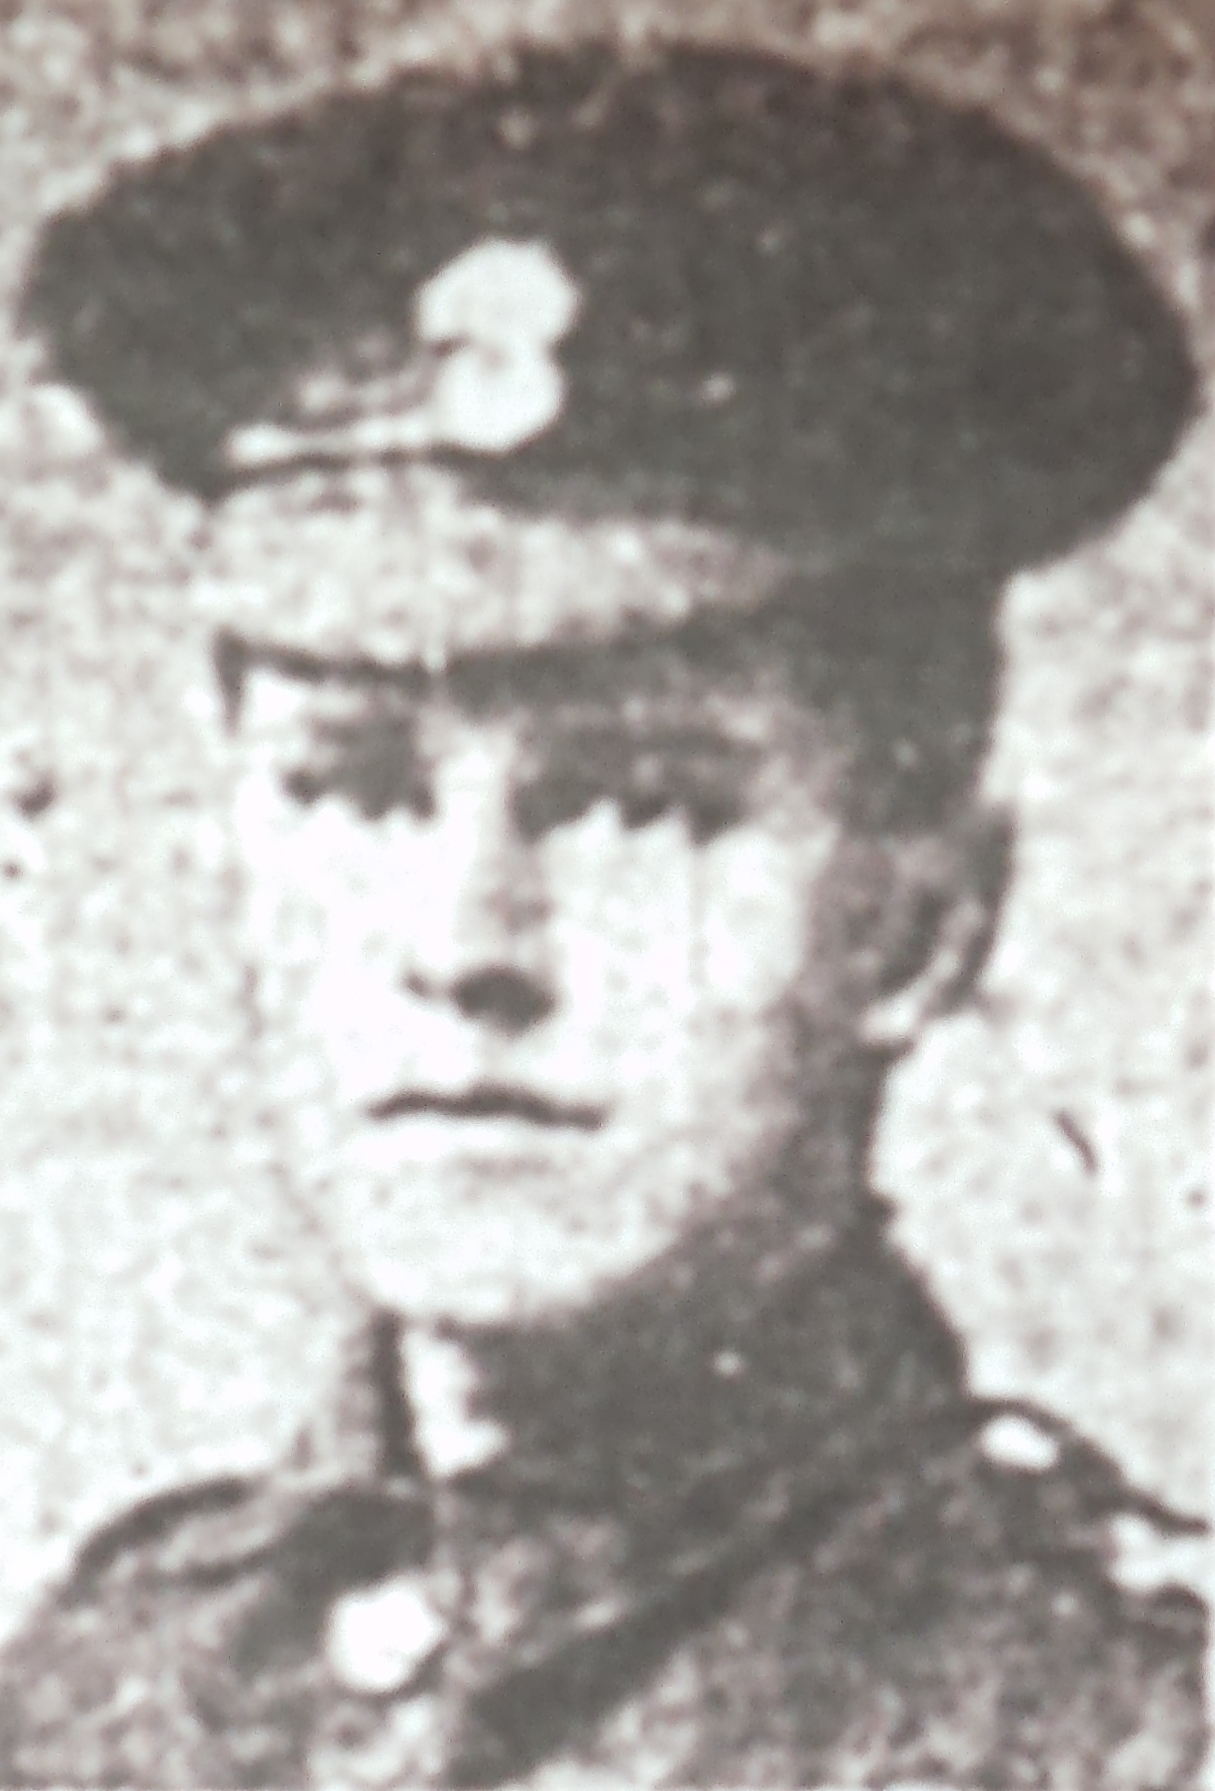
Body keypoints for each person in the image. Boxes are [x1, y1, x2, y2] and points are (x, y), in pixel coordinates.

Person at [0, 42, 1205, 1789]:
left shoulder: (1124, 1732)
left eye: (642, 804)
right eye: (355, 790)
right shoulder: (110, 1698)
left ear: (925, 921)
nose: (464, 945)